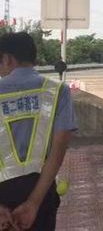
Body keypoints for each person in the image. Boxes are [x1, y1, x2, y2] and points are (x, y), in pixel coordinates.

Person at [0, 32, 77, 231]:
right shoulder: (58, 91)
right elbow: (58, 151)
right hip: (41, 192)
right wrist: (34, 203)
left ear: (7, 59)